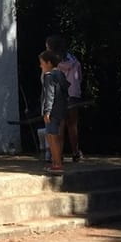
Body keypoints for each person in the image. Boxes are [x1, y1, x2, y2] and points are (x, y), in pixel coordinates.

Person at [46, 34, 84, 162]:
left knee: (59, 126)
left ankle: (58, 155)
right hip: (73, 94)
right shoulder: (74, 60)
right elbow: (79, 77)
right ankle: (75, 153)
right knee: (72, 125)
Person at [39, 49, 70, 174]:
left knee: (52, 137)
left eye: (42, 63)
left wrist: (47, 111)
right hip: (60, 110)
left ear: (49, 63)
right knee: (53, 135)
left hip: (52, 111)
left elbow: (49, 94)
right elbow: (65, 91)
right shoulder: (60, 74)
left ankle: (57, 164)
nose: (40, 65)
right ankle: (55, 163)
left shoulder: (49, 76)